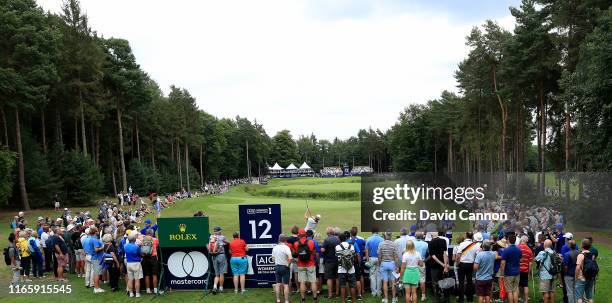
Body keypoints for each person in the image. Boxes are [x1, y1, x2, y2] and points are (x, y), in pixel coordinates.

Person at [293, 228, 318, 302]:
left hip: (301, 265)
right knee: (313, 282)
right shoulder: (311, 242)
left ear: (299, 235)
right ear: (306, 234)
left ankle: (303, 299)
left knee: (302, 282)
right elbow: (314, 253)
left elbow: (295, 254)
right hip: (310, 264)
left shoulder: (296, 243)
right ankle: (315, 299)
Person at [456, 232, 481, 303]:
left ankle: (461, 299)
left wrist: (458, 264)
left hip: (462, 264)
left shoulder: (461, 244)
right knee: (469, 282)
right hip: (470, 264)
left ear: (466, 236)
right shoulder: (475, 245)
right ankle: (469, 298)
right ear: (472, 236)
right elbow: (477, 255)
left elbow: (458, 255)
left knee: (461, 282)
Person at [335, 231, 357, 303]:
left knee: (342, 285)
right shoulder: (352, 246)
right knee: (352, 285)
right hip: (351, 268)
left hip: (341, 269)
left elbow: (337, 256)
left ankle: (343, 301)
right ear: (346, 239)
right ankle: (353, 301)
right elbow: (354, 255)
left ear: (339, 239)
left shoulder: (337, 247)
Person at [377, 230, 398, 303]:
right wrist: (397, 266)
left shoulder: (381, 244)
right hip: (392, 263)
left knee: (385, 282)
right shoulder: (394, 244)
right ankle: (394, 298)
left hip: (384, 263)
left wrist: (380, 263)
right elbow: (395, 256)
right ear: (391, 236)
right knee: (393, 282)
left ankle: (386, 299)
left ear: (385, 235)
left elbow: (379, 255)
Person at [500, 234, 522, 303]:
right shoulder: (519, 250)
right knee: (515, 290)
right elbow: (520, 260)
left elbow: (503, 263)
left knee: (509, 291)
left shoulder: (506, 250)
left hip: (508, 272)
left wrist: (502, 274)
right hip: (517, 272)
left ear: (508, 240)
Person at [428, 230, 449, 299]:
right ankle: (444, 296)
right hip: (442, 264)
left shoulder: (430, 243)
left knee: (435, 282)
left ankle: (438, 296)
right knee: (443, 280)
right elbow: (445, 254)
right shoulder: (443, 241)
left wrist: (443, 265)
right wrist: (445, 265)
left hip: (435, 265)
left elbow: (433, 256)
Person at [272, 234, 293, 303]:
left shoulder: (275, 248)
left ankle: (278, 300)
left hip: (277, 266)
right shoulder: (286, 247)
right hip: (285, 267)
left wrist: (277, 262)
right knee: (286, 285)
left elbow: (273, 259)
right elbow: (290, 258)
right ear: (285, 240)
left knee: (278, 284)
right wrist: (288, 264)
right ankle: (286, 301)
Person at [321, 227, 340, 299]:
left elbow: (322, 250)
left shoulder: (326, 239)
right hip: (337, 260)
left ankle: (330, 294)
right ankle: (337, 293)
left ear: (327, 233)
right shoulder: (338, 239)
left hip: (329, 261)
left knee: (329, 278)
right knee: (337, 277)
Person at [347, 226, 366, 300]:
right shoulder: (361, 240)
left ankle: (349, 295)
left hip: (350, 262)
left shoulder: (348, 241)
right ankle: (360, 293)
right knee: (359, 277)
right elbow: (365, 246)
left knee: (349, 279)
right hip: (358, 261)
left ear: (350, 233)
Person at [575, 239, 596, 303]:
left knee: (579, 297)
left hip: (582, 278)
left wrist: (576, 277)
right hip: (590, 277)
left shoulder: (580, 255)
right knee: (590, 297)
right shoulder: (592, 255)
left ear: (582, 245)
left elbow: (578, 267)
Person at [209, 226, 228, 294]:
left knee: (216, 274)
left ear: (214, 231)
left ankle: (214, 287)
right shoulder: (223, 237)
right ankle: (221, 288)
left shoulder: (211, 237)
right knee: (221, 273)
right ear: (219, 231)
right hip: (221, 255)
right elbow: (227, 243)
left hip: (213, 256)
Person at [365, 226, 384, 297]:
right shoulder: (382, 239)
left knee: (372, 275)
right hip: (379, 258)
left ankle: (374, 292)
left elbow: (367, 251)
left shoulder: (368, 239)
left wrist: (367, 260)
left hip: (372, 258)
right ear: (378, 232)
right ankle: (379, 291)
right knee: (379, 275)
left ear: (372, 232)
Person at [124, 231, 143, 297]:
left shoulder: (125, 246)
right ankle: (137, 293)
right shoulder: (136, 247)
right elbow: (141, 254)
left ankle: (131, 293)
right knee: (137, 279)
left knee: (130, 279)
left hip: (129, 263)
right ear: (135, 239)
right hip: (136, 263)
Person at [141, 229, 160, 294]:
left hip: (145, 258)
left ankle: (148, 290)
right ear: (152, 233)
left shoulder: (142, 239)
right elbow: (157, 246)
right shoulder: (155, 240)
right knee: (154, 274)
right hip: (153, 257)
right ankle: (155, 289)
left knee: (146, 274)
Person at [87, 227, 104, 293]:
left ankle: (97, 287)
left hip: (96, 258)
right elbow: (96, 249)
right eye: (97, 231)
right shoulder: (94, 240)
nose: (98, 231)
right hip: (97, 258)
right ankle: (96, 288)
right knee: (97, 274)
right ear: (95, 232)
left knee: (96, 273)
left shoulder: (92, 239)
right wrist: (103, 247)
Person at [518, 235, 534, 303]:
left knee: (519, 285)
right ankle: (526, 300)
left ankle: (521, 297)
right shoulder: (529, 250)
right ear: (526, 241)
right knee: (525, 285)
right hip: (525, 270)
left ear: (521, 240)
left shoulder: (517, 248)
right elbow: (530, 263)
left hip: (518, 269)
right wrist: (529, 272)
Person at [413, 231, 429, 302]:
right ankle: (423, 295)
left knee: (413, 279)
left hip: (413, 262)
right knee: (422, 279)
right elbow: (430, 254)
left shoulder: (412, 243)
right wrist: (425, 260)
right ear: (422, 236)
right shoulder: (425, 244)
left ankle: (412, 295)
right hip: (421, 262)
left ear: (415, 236)